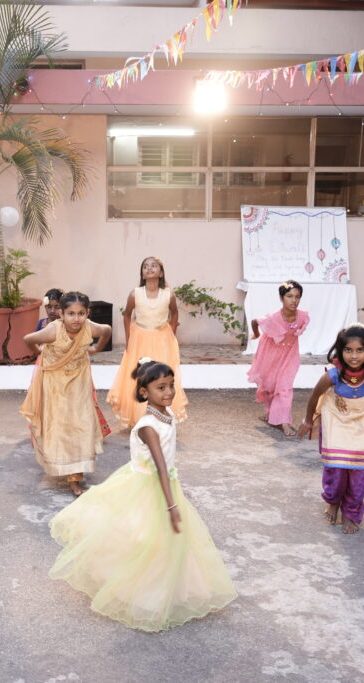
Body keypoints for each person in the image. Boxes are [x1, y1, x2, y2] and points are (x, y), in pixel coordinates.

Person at [48, 360, 237, 632]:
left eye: (172, 385)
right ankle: (138, 592)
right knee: (143, 537)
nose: (169, 392)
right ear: (145, 392)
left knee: (170, 542)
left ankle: (171, 588)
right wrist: (171, 503)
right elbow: (160, 465)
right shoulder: (148, 425)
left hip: (165, 483)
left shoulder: (167, 414)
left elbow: (167, 462)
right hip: (148, 486)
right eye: (161, 387)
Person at [298, 324, 364, 534]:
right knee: (337, 470)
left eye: (360, 350)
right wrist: (308, 420)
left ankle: (350, 512)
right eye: (348, 350)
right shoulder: (331, 376)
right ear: (340, 352)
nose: (354, 355)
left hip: (362, 425)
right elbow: (314, 397)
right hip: (336, 423)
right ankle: (332, 500)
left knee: (360, 474)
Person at [20, 291, 112, 497]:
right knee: (60, 426)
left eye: (81, 313)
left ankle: (76, 476)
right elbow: (28, 339)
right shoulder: (53, 331)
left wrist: (96, 349)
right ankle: (63, 467)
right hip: (55, 383)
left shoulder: (90, 327)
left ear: (88, 313)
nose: (76, 319)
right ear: (61, 314)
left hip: (79, 381)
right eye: (71, 313)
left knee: (81, 423)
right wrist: (41, 353)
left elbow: (107, 330)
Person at [107, 256, 188, 429]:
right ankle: (139, 417)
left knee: (160, 377)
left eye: (154, 266)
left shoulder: (168, 294)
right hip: (140, 339)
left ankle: (161, 416)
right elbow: (127, 315)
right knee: (140, 377)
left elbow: (174, 314)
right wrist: (129, 339)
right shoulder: (135, 294)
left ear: (161, 272)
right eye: (145, 266)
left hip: (161, 339)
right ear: (142, 274)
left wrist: (171, 333)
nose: (149, 268)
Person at [247, 280, 310, 437]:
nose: (293, 300)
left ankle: (284, 422)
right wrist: (256, 334)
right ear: (282, 298)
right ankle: (270, 413)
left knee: (284, 386)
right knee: (270, 384)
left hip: (290, 355)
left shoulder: (302, 316)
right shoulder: (273, 317)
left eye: (297, 297)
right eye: (289, 296)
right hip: (270, 353)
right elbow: (255, 321)